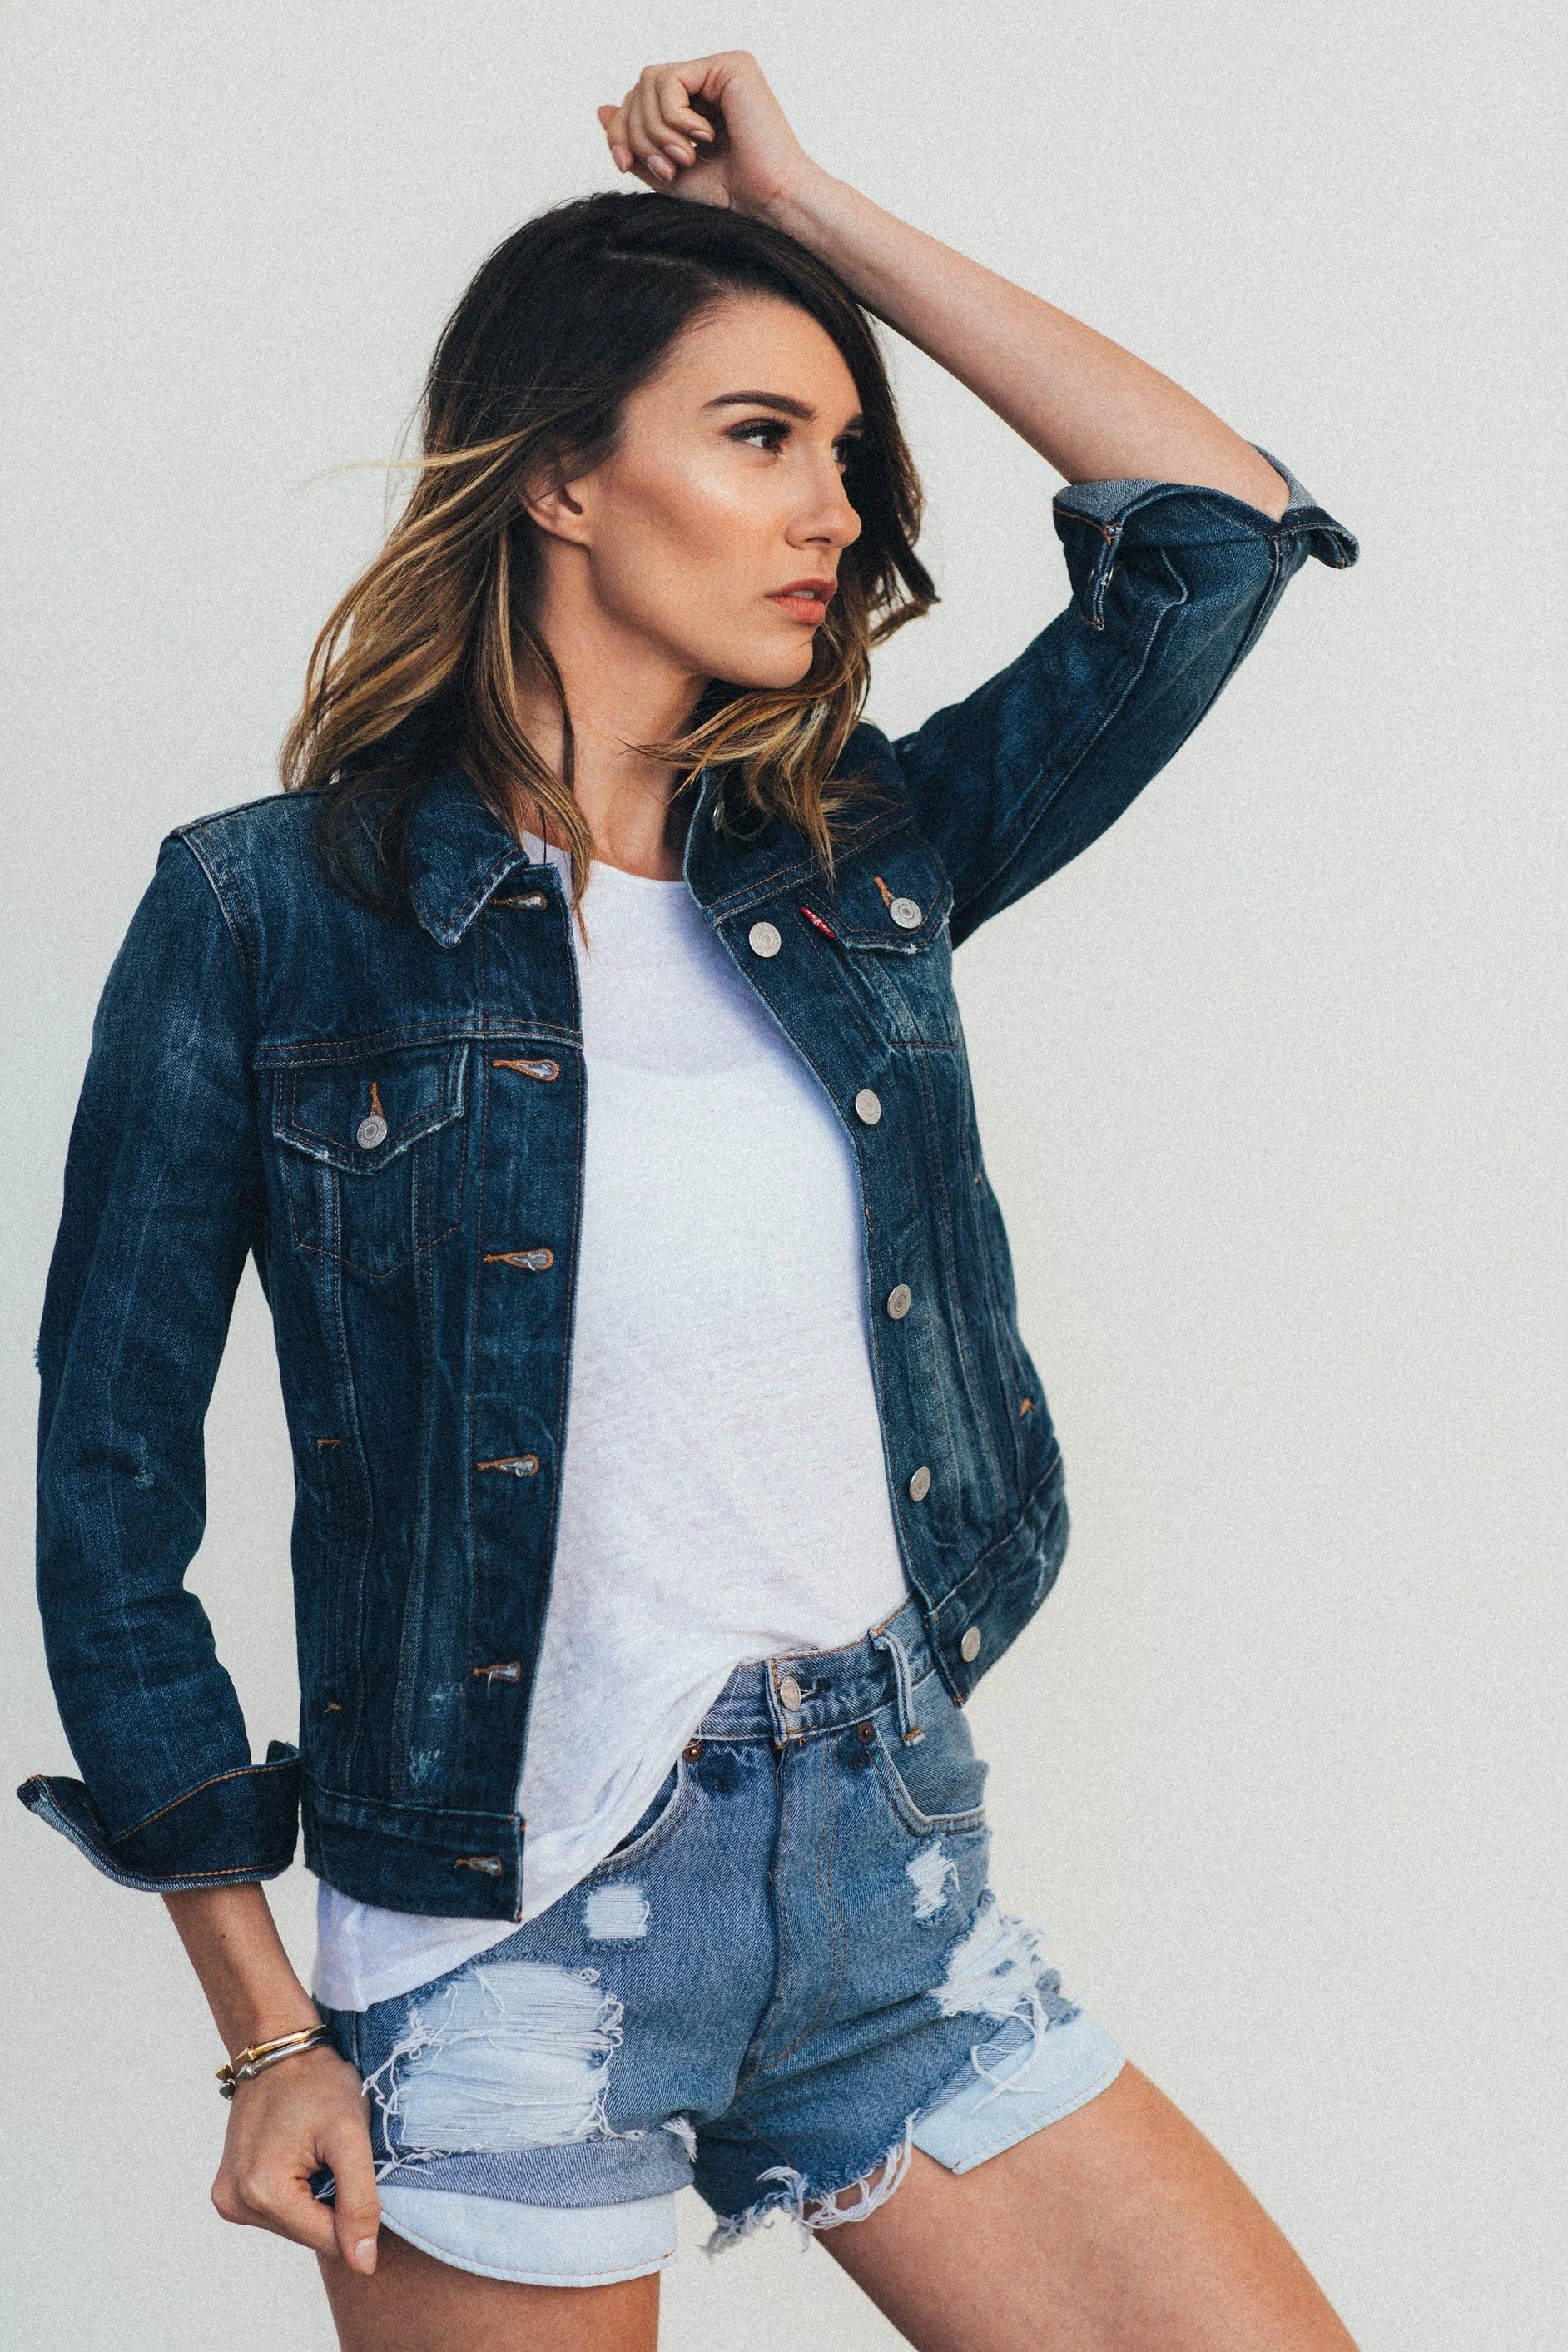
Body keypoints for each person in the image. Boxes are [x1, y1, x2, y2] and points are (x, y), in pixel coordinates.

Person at [20, 49, 1361, 2352]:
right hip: (504, 1953)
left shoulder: (861, 872)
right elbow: (102, 1483)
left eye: (842, 455)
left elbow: (1208, 534)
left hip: (890, 1892)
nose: (828, 508)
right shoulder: (266, 919)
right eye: (758, 436)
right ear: (559, 470)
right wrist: (261, 2019)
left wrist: (807, 218)